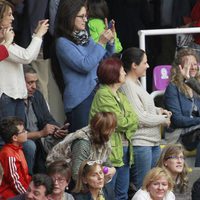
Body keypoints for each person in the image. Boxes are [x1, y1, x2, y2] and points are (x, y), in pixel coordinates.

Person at [54, 0, 115, 132]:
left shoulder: (86, 38)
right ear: (69, 16)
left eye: (86, 16)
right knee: (83, 143)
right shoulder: (62, 43)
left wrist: (110, 42)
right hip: (79, 100)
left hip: (95, 94)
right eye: (81, 16)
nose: (85, 20)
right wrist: (101, 42)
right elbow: (85, 65)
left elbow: (104, 60)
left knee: (98, 140)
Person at [119, 47, 171, 189]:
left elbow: (144, 108)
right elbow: (139, 117)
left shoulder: (137, 82)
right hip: (141, 143)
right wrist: (163, 119)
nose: (148, 66)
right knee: (144, 187)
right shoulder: (127, 85)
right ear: (134, 65)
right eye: (145, 63)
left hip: (152, 142)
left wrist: (159, 110)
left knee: (152, 186)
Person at [90, 57, 138, 200]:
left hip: (124, 149)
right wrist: (128, 121)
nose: (124, 73)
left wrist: (129, 121)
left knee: (122, 195)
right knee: (107, 194)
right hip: (109, 151)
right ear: (113, 73)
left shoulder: (120, 94)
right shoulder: (103, 94)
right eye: (122, 70)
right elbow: (118, 122)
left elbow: (134, 118)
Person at [0, 0, 49, 120]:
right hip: (7, 96)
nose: (12, 18)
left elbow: (27, 55)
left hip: (16, 95)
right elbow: (26, 57)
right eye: (9, 15)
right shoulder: (4, 40)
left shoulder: (7, 38)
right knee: (10, 137)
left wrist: (36, 35)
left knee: (20, 135)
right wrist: (38, 36)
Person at [22, 65, 69, 174]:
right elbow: (17, 134)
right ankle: (28, 178)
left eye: (35, 82)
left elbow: (47, 119)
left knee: (67, 139)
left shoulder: (37, 95)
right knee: (30, 145)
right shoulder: (13, 100)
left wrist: (57, 129)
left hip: (40, 138)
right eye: (29, 83)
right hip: (26, 140)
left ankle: (58, 181)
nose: (34, 86)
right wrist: (41, 133)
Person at [46, 111, 117, 182]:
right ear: (105, 131)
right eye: (112, 128)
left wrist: (112, 169)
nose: (114, 130)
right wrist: (96, 177)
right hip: (62, 176)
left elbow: (105, 161)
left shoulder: (102, 139)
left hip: (85, 175)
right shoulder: (82, 143)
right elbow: (76, 174)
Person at [164, 48, 200, 167]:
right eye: (189, 65)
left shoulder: (197, 86)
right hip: (180, 133)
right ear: (180, 68)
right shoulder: (173, 88)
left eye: (195, 64)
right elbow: (177, 120)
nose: (194, 67)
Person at [0, 116, 31, 199]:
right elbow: (15, 182)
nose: (26, 132)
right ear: (14, 138)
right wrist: (28, 195)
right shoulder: (8, 154)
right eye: (23, 131)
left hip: (22, 189)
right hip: (11, 195)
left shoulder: (18, 149)